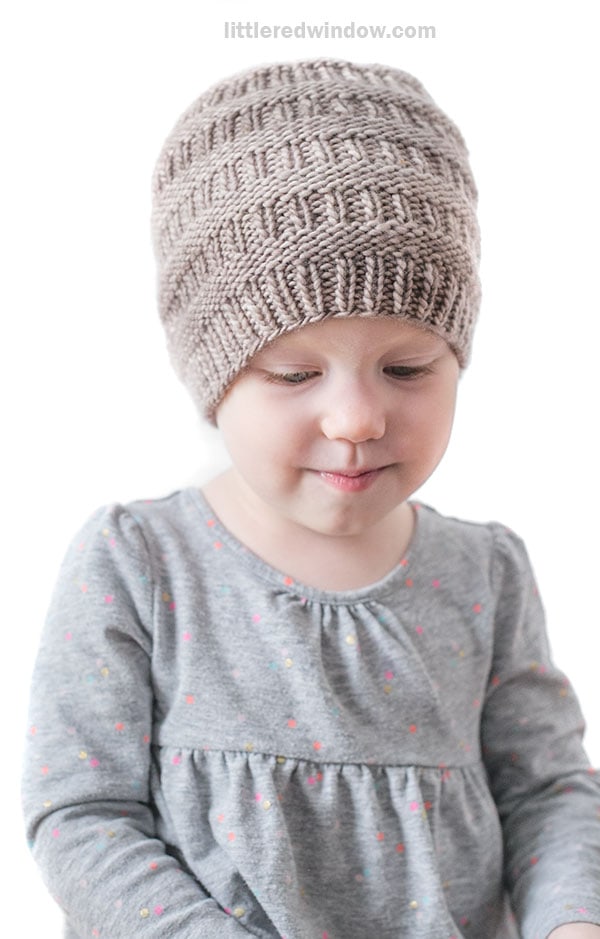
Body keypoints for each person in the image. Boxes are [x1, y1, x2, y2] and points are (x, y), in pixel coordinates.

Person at [22, 58, 600, 939]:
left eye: (407, 368)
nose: (359, 417)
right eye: (295, 372)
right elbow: (81, 812)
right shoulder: (137, 561)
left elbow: (548, 790)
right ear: (213, 379)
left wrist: (570, 921)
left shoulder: (486, 571)